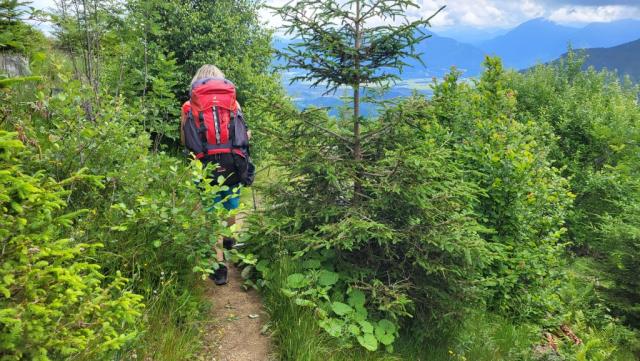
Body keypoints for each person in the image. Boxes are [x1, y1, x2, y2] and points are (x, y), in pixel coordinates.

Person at [180, 64, 252, 285]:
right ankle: (229, 237)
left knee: (212, 215)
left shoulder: (188, 106)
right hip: (232, 164)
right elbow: (243, 135)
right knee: (230, 204)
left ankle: (219, 268)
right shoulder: (233, 102)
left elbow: (185, 141)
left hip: (205, 165)